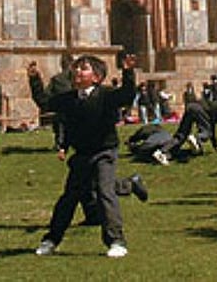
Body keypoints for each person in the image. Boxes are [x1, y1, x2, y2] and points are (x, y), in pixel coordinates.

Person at [29, 54, 139, 259]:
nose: (78, 71)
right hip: (81, 155)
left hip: (104, 152)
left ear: (96, 77)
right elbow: (45, 102)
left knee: (105, 192)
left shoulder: (106, 96)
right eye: (76, 68)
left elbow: (126, 95)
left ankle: (116, 240)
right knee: (69, 198)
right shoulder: (69, 99)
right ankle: (51, 240)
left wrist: (128, 72)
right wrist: (35, 79)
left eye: (84, 68)